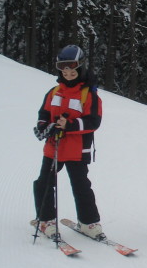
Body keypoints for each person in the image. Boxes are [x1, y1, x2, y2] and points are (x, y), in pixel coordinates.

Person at [33, 45, 104, 239]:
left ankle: (88, 223)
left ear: (80, 68)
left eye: (72, 70)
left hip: (77, 150)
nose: (68, 73)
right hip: (53, 148)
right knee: (44, 183)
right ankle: (46, 219)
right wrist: (44, 126)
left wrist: (69, 125)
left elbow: (93, 121)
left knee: (81, 186)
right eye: (64, 70)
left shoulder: (89, 94)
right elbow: (43, 114)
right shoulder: (54, 92)